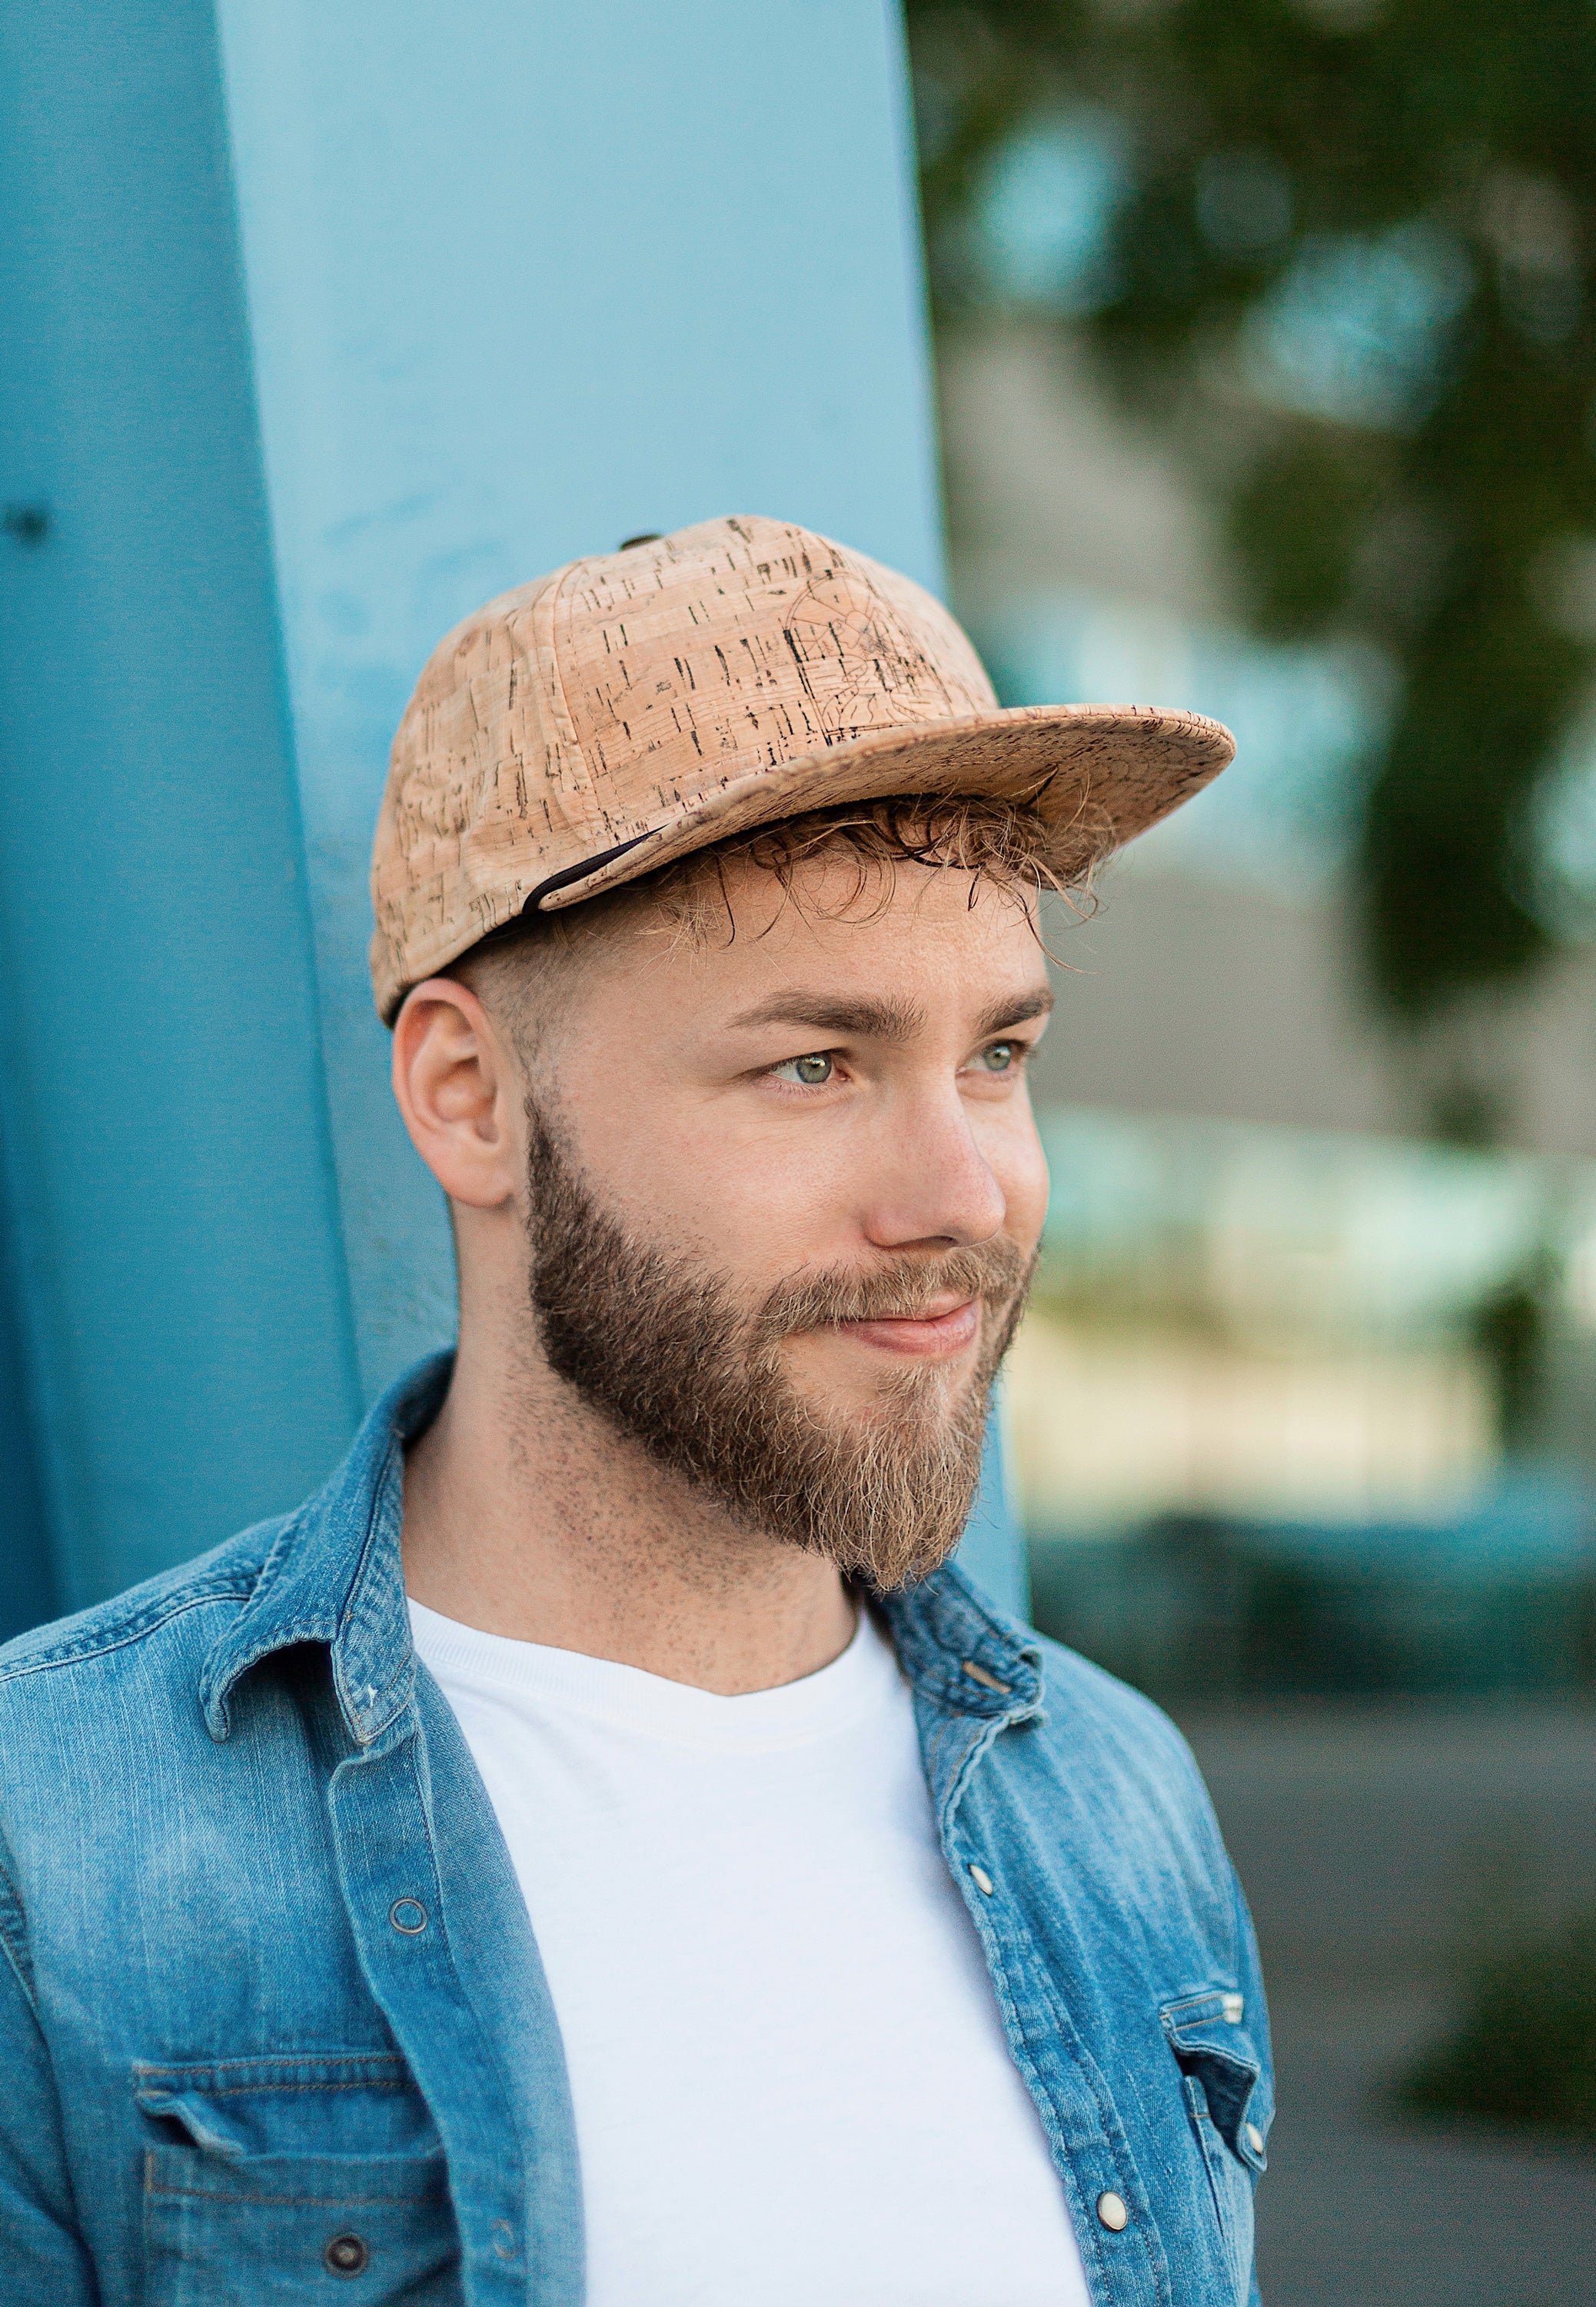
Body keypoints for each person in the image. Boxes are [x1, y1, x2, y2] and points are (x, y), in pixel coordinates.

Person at [0, 516, 1271, 2305]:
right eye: (814, 1064)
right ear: (469, 1098)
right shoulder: (55, 1843)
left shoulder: (1117, 1797)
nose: (966, 1194)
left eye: (998, 1054)